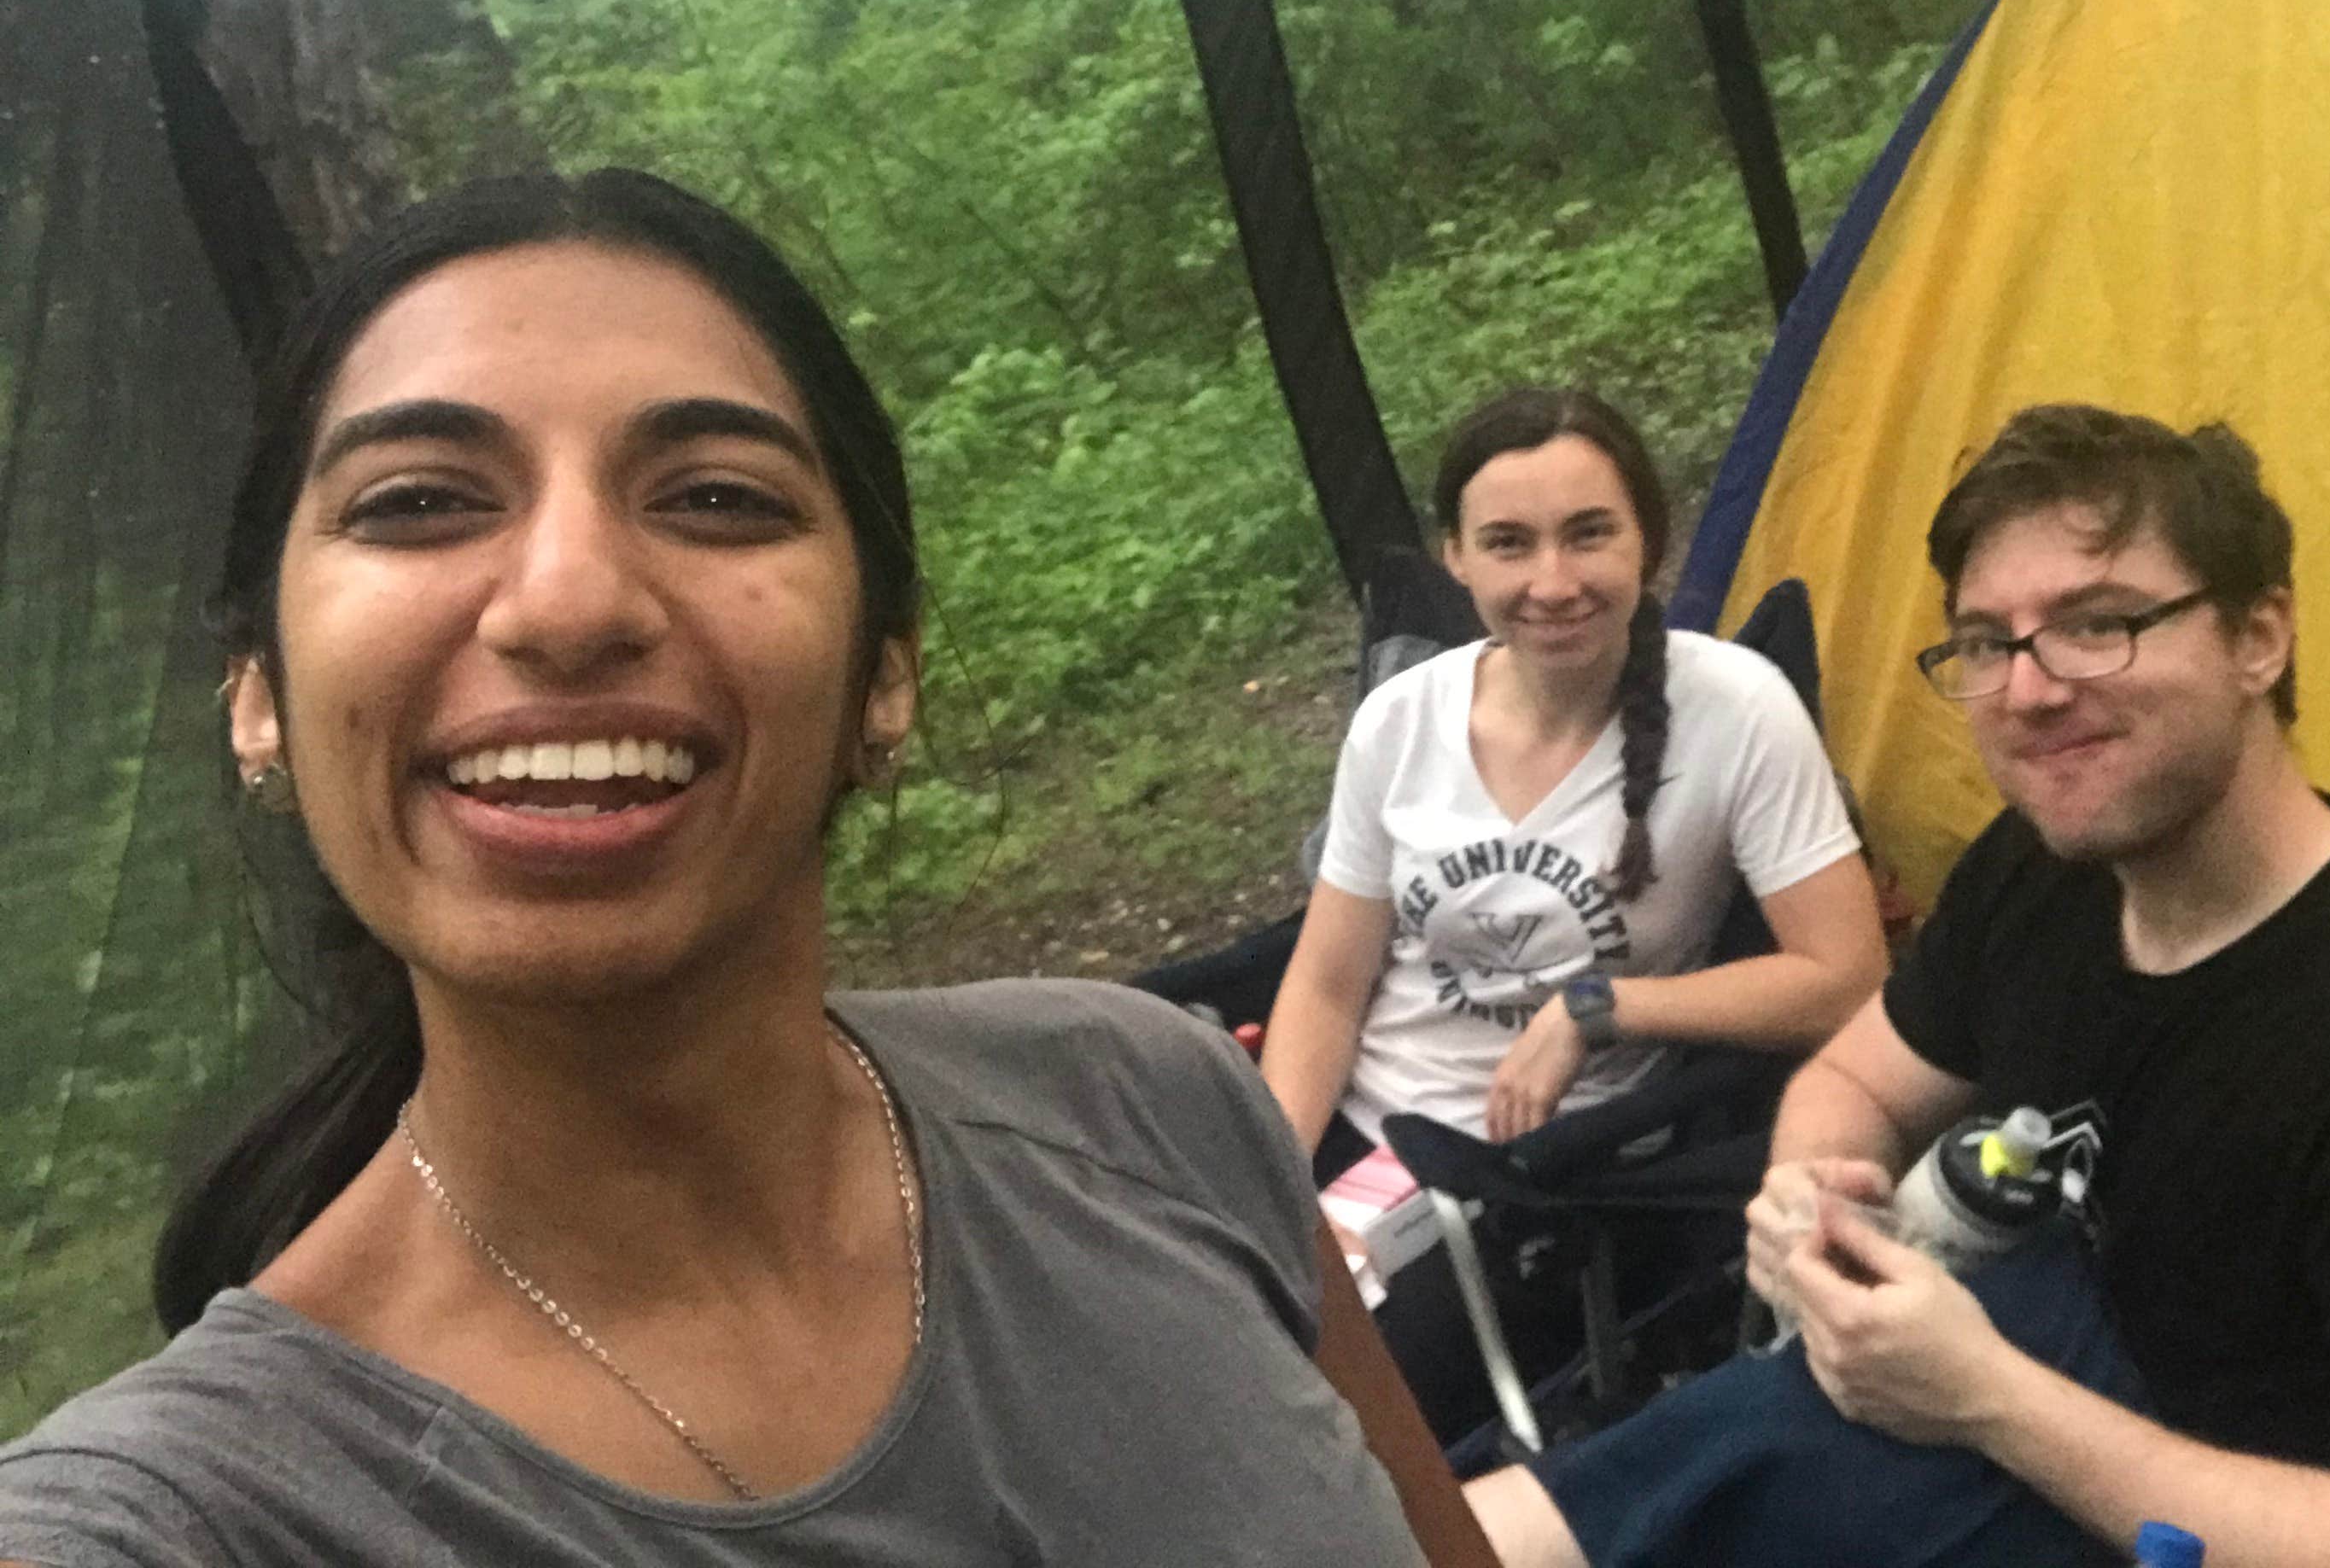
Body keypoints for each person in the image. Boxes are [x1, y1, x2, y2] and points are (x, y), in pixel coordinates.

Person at [0, 172, 1498, 1567]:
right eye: (420, 501)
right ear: (257, 686)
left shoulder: (1144, 1103)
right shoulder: (191, 1518)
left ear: (883, 676)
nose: (569, 602)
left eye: (717, 496)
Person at [1466, 404, 2330, 1568]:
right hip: (1970, 1413)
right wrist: (1814, 1195)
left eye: (2097, 625)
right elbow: (1859, 1071)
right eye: (1987, 645)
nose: (2030, 691)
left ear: (2259, 638)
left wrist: (1986, 1397)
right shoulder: (2048, 871)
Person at [1258, 387, 1886, 1437]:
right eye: (1508, 543)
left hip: (1529, 1187)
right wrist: (1272, 1186)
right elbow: (1327, 983)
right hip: (1349, 1143)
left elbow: (1846, 976)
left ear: (1648, 540)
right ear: (1455, 556)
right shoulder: (1399, 722)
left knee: (1303, 1406)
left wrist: (1601, 1006)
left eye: (1588, 533)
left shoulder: (1734, 712)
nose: (1552, 582)